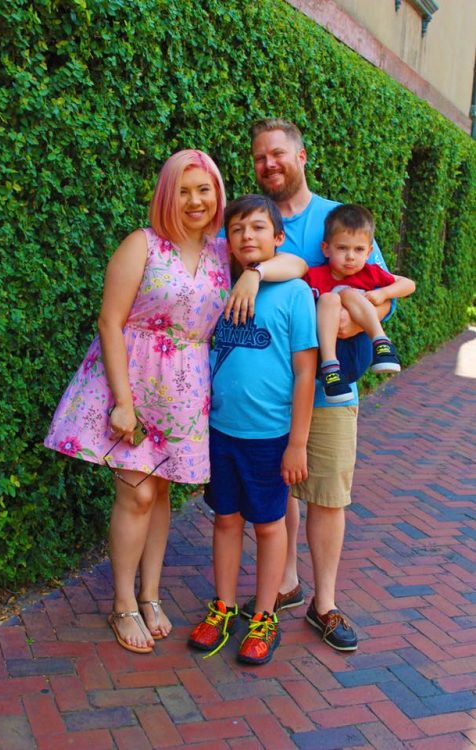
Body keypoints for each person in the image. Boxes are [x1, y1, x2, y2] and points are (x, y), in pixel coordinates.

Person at [44, 149, 306, 655]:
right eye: (183, 190)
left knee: (161, 493)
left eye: (204, 190)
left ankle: (150, 594)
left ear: (217, 196)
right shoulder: (142, 244)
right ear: (167, 195)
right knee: (137, 494)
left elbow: (292, 260)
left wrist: (254, 274)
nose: (195, 200)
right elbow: (109, 323)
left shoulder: (221, 251)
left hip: (186, 391)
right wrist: (122, 402)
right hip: (133, 383)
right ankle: (124, 603)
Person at [237, 118, 397, 651]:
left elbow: (383, 293)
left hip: (329, 388)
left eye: (278, 154)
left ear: (301, 157)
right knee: (280, 487)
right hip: (268, 387)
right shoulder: (249, 220)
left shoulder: (337, 219)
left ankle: (323, 603)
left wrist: (349, 321)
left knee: (326, 493)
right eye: (260, 158)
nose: (269, 165)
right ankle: (283, 584)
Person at [188, 194, 318, 665]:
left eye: (259, 228)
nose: (248, 236)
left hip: (270, 437)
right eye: (238, 229)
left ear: (278, 238)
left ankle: (264, 615)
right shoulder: (219, 284)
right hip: (222, 431)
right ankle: (223, 606)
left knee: (268, 525)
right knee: (225, 519)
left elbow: (306, 372)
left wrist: (297, 444)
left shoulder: (294, 293)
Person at [306, 203, 415, 403]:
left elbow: (409, 284)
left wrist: (383, 293)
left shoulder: (370, 273)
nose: (350, 256)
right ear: (326, 249)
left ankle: (382, 343)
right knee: (330, 298)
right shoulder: (314, 277)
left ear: (368, 252)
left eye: (359, 249)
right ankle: (331, 370)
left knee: (348, 294)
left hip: (360, 348)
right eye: (342, 248)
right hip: (323, 359)